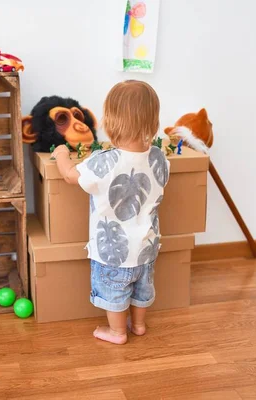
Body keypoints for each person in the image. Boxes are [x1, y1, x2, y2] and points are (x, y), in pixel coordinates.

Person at [52, 80, 170, 344]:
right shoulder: (159, 157)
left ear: (111, 120)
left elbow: (71, 176)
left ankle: (117, 332)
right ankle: (138, 325)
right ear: (153, 120)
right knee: (141, 289)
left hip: (112, 252)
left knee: (114, 292)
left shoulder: (103, 161)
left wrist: (61, 154)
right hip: (146, 247)